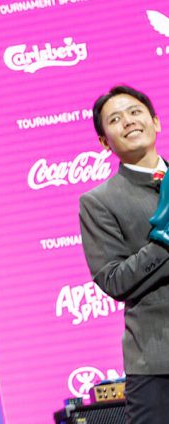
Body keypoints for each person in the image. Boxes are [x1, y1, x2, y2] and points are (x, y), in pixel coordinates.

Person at [79, 85, 169, 424]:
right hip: (158, 362)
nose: (128, 122)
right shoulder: (99, 202)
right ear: (104, 142)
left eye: (135, 112)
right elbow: (113, 280)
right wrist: (164, 242)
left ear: (155, 122)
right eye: (114, 119)